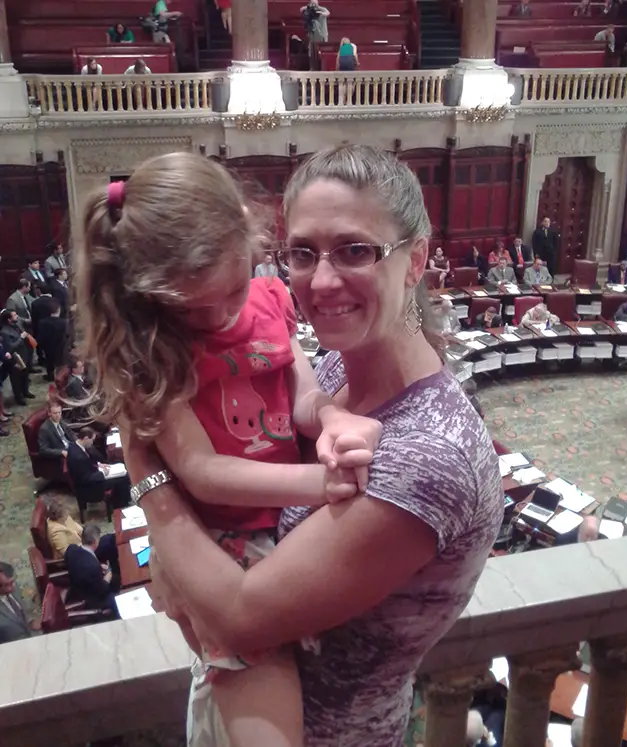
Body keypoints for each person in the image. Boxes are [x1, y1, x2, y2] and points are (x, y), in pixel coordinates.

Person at [116, 145, 503, 746]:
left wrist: (145, 471)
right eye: (302, 253)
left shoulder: (430, 450)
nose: (321, 282)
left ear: (417, 259)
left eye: (355, 250)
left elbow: (241, 615)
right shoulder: (326, 375)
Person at [74, 152, 384, 747]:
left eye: (232, 290)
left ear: (248, 228)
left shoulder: (270, 298)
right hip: (227, 543)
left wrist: (332, 417)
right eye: (195, 309)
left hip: (288, 524)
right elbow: (203, 471)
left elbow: (301, 394)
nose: (220, 315)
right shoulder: (150, 346)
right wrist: (319, 484)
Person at [67, 427, 131, 510]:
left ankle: (118, 500)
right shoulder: (78, 457)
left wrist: (99, 464)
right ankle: (121, 505)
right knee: (123, 477)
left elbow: (88, 461)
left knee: (119, 470)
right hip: (88, 487)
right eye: (92, 440)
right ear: (86, 438)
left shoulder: (75, 445)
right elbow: (85, 478)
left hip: (90, 474)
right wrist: (104, 474)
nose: (92, 443)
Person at [64, 523, 120, 618]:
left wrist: (99, 566)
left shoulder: (71, 549)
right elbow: (102, 590)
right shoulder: (92, 567)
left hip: (76, 586)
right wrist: (107, 578)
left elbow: (81, 564)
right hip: (91, 599)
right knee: (119, 599)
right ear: (95, 541)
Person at [0, 309, 34, 405]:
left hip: (24, 354)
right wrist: (21, 338)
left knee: (25, 376)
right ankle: (18, 398)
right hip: (15, 359)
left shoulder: (16, 325)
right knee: (16, 379)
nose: (17, 316)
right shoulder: (4, 332)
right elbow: (10, 347)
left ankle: (25, 392)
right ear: (8, 319)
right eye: (14, 315)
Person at [37, 299, 68, 382]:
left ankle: (50, 376)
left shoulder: (43, 322)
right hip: (62, 347)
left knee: (49, 362)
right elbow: (69, 336)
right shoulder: (64, 322)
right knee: (61, 363)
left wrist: (42, 346)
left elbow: (41, 337)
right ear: (59, 309)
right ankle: (61, 377)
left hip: (49, 348)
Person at [0, 562, 32, 645]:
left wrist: (30, 621)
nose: (12, 587)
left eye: (12, 582)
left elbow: (21, 613)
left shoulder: (14, 587)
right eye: (6, 585)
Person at [301, 0, 330, 69]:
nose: (315, 5)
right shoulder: (309, 10)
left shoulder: (322, 9)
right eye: (313, 3)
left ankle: (321, 68)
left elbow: (328, 13)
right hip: (312, 35)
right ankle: (312, 68)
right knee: (311, 53)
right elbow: (301, 9)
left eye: (316, 3)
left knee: (320, 53)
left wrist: (321, 13)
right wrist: (309, 7)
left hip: (322, 35)